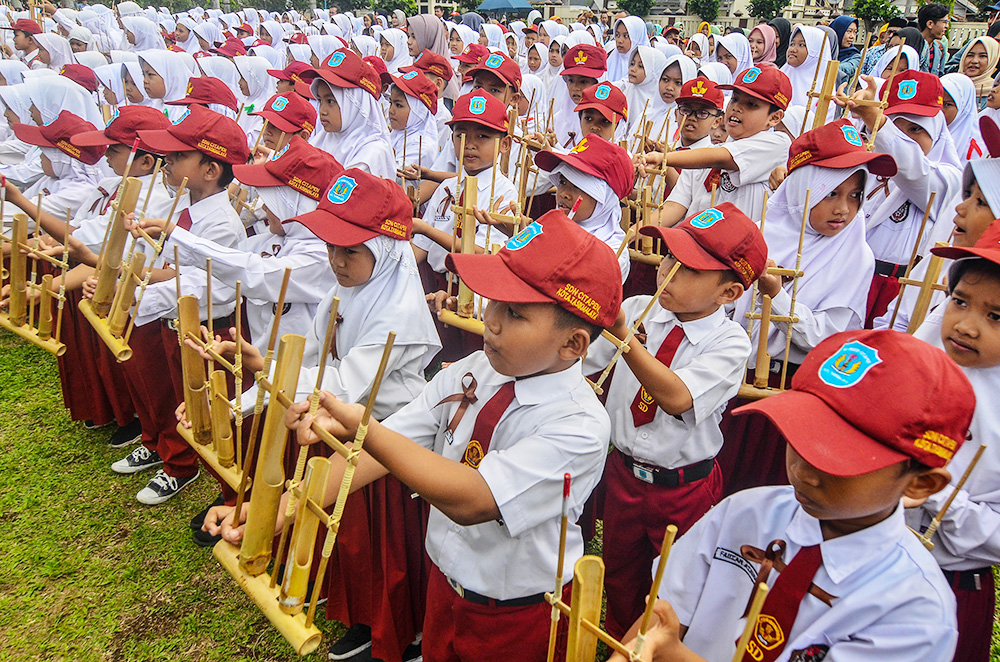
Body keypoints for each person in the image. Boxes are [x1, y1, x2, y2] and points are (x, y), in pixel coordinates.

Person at [220, 209, 625, 662]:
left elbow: (474, 499)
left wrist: (364, 428)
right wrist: (281, 507)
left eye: (514, 313)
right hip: (443, 586)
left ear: (573, 344)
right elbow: (387, 445)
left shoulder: (580, 425)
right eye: (492, 301)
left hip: (513, 618)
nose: (489, 320)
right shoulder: (475, 369)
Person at [611, 328, 975, 662]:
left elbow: (666, 647)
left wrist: (676, 656)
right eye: (801, 437)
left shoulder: (915, 611)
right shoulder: (744, 513)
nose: (803, 471)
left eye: (840, 458)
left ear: (920, 485)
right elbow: (660, 616)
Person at [584, 202, 764, 639]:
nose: (668, 271)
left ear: (729, 294)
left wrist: (626, 338)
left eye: (689, 268)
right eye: (669, 256)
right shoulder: (641, 307)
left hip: (683, 487)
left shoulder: (730, 342)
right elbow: (586, 362)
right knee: (620, 578)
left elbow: (676, 396)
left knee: (674, 592)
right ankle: (624, 643)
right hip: (624, 475)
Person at [719, 120, 897, 495]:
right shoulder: (760, 232)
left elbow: (829, 339)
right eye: (831, 193)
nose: (843, 210)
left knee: (760, 490)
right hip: (730, 376)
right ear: (802, 188)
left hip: (789, 391)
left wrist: (776, 296)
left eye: (854, 195)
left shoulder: (856, 255)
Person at [108, 105, 249, 505]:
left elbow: (208, 286)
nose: (167, 161)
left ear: (211, 170)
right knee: (176, 398)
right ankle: (177, 460)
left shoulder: (219, 221)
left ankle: (215, 486)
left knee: (211, 414)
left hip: (211, 331)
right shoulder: (187, 210)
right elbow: (175, 270)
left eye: (179, 155)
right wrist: (138, 276)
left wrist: (138, 293)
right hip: (179, 323)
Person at [910, 228, 1000, 662]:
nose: (965, 325)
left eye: (996, 316)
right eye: (959, 301)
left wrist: (934, 489)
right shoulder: (918, 367)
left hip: (952, 584)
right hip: (864, 568)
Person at [841, 70, 962, 327]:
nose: (905, 137)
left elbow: (914, 171)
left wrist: (877, 122)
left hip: (895, 289)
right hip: (847, 277)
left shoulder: (948, 180)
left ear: (937, 132)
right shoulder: (863, 165)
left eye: (916, 129)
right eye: (896, 126)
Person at [644, 66, 792, 228]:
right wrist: (631, 234)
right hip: (693, 245)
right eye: (734, 99)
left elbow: (723, 158)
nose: (736, 108)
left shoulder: (778, 145)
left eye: (751, 104)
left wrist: (663, 158)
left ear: (774, 117)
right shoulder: (705, 156)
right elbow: (674, 206)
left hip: (738, 250)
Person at [534, 134, 634, 280]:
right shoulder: (548, 225)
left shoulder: (613, 253)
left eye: (577, 186)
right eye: (562, 182)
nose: (564, 194)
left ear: (604, 200)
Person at [307, 48, 395, 178]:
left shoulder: (372, 153)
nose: (322, 110)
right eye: (320, 100)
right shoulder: (324, 138)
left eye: (331, 101)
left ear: (355, 104)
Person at [958, 36, 1000, 109]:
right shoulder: (950, 86)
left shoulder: (995, 93)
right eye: (970, 55)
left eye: (982, 56)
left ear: (993, 59)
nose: (974, 61)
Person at [918, 2, 949, 77]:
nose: (947, 26)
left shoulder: (940, 48)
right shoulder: (914, 45)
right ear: (930, 24)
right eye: (944, 22)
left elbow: (940, 75)